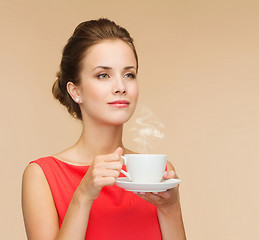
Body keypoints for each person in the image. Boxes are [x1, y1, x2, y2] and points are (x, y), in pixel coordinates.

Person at [22, 18, 186, 240]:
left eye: (129, 74)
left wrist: (170, 207)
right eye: (103, 75)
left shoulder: (158, 174)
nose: (120, 87)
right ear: (75, 91)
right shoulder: (42, 176)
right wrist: (83, 195)